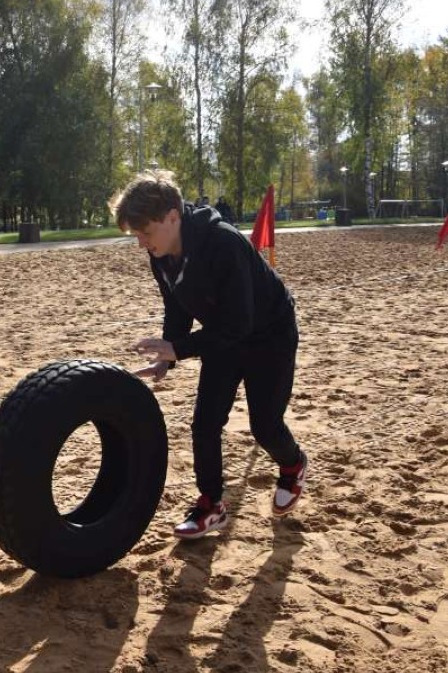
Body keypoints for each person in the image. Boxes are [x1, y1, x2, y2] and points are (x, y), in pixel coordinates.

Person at [111, 170, 307, 540]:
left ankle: (293, 465)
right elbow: (178, 306)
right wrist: (166, 356)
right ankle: (211, 505)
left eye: (145, 233)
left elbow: (241, 323)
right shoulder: (161, 251)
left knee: (265, 427)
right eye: (135, 235)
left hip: (269, 335)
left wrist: (180, 349)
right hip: (222, 336)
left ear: (172, 217)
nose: (141, 243)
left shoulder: (223, 243)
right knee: (204, 424)